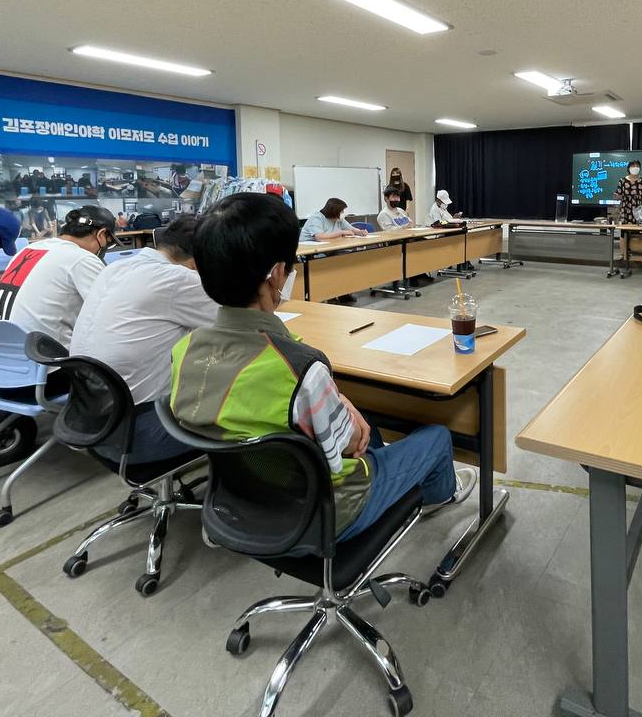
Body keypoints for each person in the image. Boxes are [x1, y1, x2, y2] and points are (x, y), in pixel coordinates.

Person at [169, 193, 474, 540]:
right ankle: (436, 498)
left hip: (243, 504)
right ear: (278, 274)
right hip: (325, 512)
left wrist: (339, 404)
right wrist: (339, 405)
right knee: (435, 436)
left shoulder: (184, 351)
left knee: (367, 422)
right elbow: (350, 442)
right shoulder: (301, 368)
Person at [72, 215, 216, 463]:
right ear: (196, 263)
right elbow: (238, 322)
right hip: (139, 433)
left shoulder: (115, 269)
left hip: (91, 422)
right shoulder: (179, 279)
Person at [0, 205, 116, 347]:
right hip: (43, 361)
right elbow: (112, 314)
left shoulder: (29, 250)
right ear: (101, 235)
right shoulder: (82, 258)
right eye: (109, 242)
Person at [300, 198, 366, 241]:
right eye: (341, 211)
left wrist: (359, 232)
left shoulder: (338, 219)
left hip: (329, 247)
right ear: (334, 211)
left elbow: (351, 229)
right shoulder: (316, 218)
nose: (343, 213)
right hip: (310, 250)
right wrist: (341, 232)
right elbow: (320, 237)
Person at [611, 160, 642, 224]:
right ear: (628, 168)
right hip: (625, 209)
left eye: (637, 166)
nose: (635, 168)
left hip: (638, 210)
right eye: (633, 166)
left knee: (637, 230)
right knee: (625, 230)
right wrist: (617, 197)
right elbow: (619, 196)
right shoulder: (622, 180)